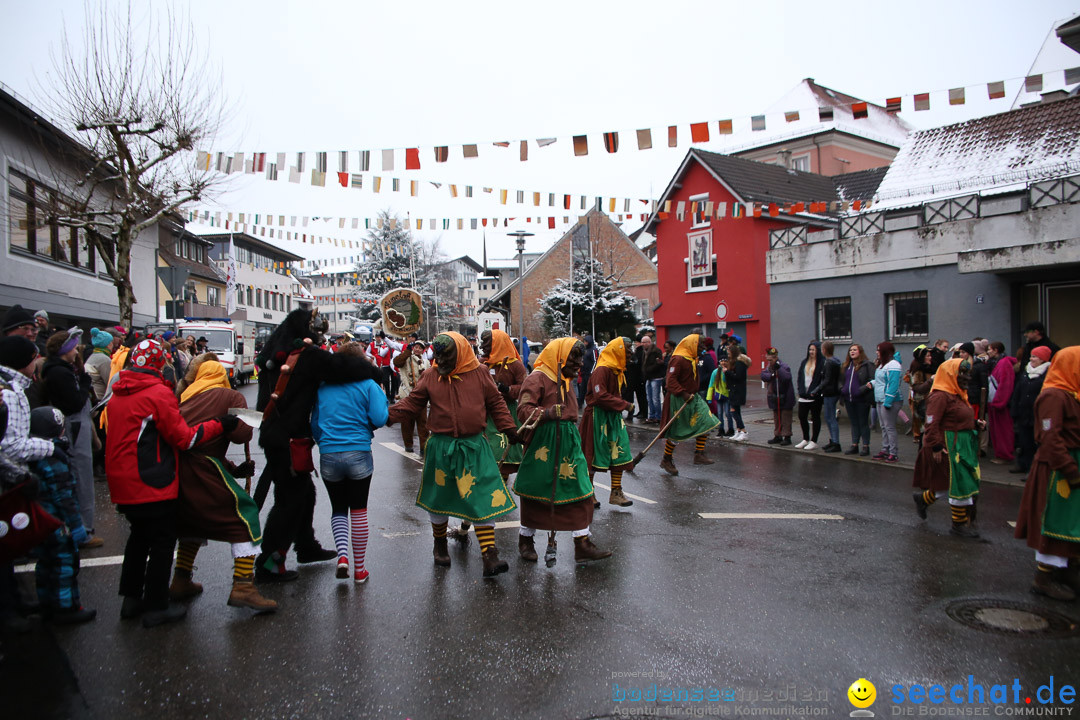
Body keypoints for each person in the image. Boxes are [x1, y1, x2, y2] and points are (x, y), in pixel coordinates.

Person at [106, 339, 237, 628]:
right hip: (152, 479)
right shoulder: (156, 393)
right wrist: (220, 425)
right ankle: (156, 606)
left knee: (138, 538)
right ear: (158, 363)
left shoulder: (118, 394)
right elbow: (184, 438)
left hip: (122, 481)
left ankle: (131, 600)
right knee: (163, 542)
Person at [254, 309, 381, 582]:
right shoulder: (303, 355)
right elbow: (342, 366)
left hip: (276, 435)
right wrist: (374, 373)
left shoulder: (274, 350)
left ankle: (306, 545)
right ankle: (270, 563)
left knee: (304, 492)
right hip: (288, 438)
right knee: (290, 500)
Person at [387, 332, 519, 576]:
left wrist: (510, 429)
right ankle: (439, 546)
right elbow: (412, 403)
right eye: (438, 357)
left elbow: (496, 404)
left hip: (474, 447)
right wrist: (386, 416)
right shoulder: (430, 375)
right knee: (439, 498)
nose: (442, 362)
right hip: (441, 448)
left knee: (483, 496)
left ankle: (489, 554)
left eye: (447, 357)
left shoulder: (480, 373)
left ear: (460, 352)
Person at [171, 356, 277, 613]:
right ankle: (243, 586)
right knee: (245, 516)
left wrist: (232, 469)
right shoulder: (230, 396)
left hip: (176, 469)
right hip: (203, 468)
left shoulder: (185, 395)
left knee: (191, 521)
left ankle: (181, 578)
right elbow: (241, 435)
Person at [514, 337, 611, 563]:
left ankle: (582, 543)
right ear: (559, 358)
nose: (579, 364)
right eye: (573, 359)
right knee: (536, 492)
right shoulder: (537, 377)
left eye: (580, 358)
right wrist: (546, 413)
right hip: (543, 444)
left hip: (568, 443)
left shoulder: (566, 380)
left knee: (580, 489)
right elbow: (523, 410)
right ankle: (526, 539)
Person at [312, 342, 388, 585]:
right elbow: (379, 417)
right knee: (359, 509)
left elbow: (315, 424)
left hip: (329, 454)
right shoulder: (368, 385)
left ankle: (342, 556)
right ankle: (360, 569)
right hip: (359, 452)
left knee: (338, 508)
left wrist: (324, 441)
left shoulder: (322, 387)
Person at [1013, 346, 1080, 600]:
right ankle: (1044, 577)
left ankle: (1068, 569)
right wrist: (1070, 470)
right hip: (1056, 468)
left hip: (1069, 462)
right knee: (1054, 520)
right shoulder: (1054, 396)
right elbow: (1050, 438)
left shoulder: (1072, 393)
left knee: (1071, 521)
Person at [451, 329, 528, 544]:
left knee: (501, 459)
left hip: (505, 414)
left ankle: (494, 495)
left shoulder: (514, 364)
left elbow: (525, 387)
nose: (483, 346)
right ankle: (474, 516)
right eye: (482, 343)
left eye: (487, 343)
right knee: (487, 462)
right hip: (485, 416)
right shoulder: (479, 363)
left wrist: (506, 388)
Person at [27, 406, 96, 624]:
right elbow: (64, 497)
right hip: (59, 524)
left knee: (45, 564)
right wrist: (76, 526)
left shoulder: (32, 456)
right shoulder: (54, 457)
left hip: (40, 522)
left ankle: (46, 603)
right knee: (64, 564)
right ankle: (65, 608)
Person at [41, 330, 103, 549]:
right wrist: (85, 384)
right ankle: (82, 530)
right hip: (74, 428)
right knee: (81, 477)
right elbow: (74, 403)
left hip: (77, 426)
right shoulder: (60, 373)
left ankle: (80, 527)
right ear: (65, 350)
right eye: (74, 347)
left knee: (80, 477)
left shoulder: (62, 370)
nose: (77, 350)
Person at [912, 358, 985, 538]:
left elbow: (956, 417)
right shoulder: (940, 396)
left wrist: (975, 424)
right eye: (961, 373)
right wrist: (936, 447)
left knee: (951, 485)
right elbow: (931, 424)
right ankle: (958, 526)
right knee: (958, 485)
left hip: (962, 446)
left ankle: (923, 500)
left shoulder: (957, 394)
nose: (965, 377)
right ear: (951, 374)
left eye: (967, 373)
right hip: (947, 446)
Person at [580, 337, 635, 508]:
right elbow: (600, 396)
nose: (630, 352)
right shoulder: (602, 370)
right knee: (593, 454)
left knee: (619, 451)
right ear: (618, 350)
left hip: (612, 417)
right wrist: (624, 404)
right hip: (597, 417)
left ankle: (616, 492)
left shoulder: (616, 370)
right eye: (627, 348)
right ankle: (588, 493)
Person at [659, 334, 720, 475]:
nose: (703, 348)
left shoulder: (693, 358)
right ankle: (666, 459)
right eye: (700, 345)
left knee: (707, 421)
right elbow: (670, 381)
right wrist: (683, 393)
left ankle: (699, 454)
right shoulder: (678, 359)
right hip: (679, 398)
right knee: (676, 431)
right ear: (692, 345)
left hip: (694, 397)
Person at [1010, 345, 1051, 474]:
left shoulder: (1047, 373)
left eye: (1035, 357)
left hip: (1037, 415)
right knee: (1024, 441)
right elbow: (1018, 391)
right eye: (1031, 356)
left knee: (1036, 443)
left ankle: (1033, 470)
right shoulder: (1026, 372)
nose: (1031, 359)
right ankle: (1023, 464)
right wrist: (1014, 408)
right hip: (1024, 413)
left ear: (1043, 359)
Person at [393, 341, 430, 455]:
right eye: (416, 347)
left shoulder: (426, 362)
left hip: (421, 396)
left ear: (424, 350)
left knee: (423, 423)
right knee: (407, 422)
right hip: (408, 394)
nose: (417, 349)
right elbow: (397, 362)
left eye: (420, 348)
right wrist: (407, 351)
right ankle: (408, 445)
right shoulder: (407, 359)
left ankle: (424, 447)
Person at [870, 342, 903, 462]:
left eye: (878, 350)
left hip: (890, 400)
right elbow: (881, 381)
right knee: (884, 427)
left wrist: (888, 401)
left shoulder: (894, 365)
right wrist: (872, 383)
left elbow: (893, 385)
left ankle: (893, 453)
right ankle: (885, 449)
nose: (876, 352)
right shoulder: (882, 365)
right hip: (880, 399)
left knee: (889, 427)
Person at [841, 344, 874, 455]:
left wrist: (863, 389)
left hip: (862, 399)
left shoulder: (866, 365)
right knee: (854, 423)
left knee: (863, 422)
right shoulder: (847, 366)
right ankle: (854, 445)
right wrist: (842, 389)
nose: (852, 352)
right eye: (850, 350)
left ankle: (866, 446)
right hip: (849, 399)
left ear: (860, 351)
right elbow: (841, 380)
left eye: (854, 350)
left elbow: (872, 380)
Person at [987, 345, 1017, 465]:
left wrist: (1000, 401)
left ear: (996, 350)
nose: (988, 351)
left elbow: (1006, 384)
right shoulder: (996, 362)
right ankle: (1001, 453)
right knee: (997, 430)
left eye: (989, 349)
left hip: (999, 404)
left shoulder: (1004, 363)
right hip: (994, 402)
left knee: (1003, 430)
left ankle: (1005, 455)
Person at [762, 347, 795, 447]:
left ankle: (787, 436)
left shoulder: (783, 366)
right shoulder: (769, 368)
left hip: (785, 396)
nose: (769, 361)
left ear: (776, 357)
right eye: (768, 359)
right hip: (774, 396)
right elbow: (764, 376)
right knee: (777, 418)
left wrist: (778, 369)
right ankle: (778, 435)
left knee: (785, 417)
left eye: (771, 359)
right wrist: (772, 374)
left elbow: (786, 378)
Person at [795, 342, 824, 450]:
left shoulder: (821, 363)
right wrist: (800, 390)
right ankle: (805, 438)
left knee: (815, 417)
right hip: (803, 395)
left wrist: (815, 391)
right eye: (810, 350)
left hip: (814, 396)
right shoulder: (804, 362)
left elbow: (821, 380)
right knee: (802, 416)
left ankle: (814, 440)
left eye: (813, 350)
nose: (811, 352)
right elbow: (800, 377)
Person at [905, 346, 934, 447]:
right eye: (928, 356)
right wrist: (931, 380)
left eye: (931, 356)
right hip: (922, 404)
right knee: (925, 430)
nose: (930, 358)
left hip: (930, 403)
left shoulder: (929, 369)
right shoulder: (918, 371)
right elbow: (917, 388)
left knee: (928, 430)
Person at [819, 342, 842, 452]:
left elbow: (827, 379)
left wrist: (816, 390)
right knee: (829, 417)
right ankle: (833, 440)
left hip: (830, 392)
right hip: (832, 392)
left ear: (824, 350)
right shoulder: (835, 361)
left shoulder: (829, 362)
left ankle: (836, 442)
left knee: (830, 418)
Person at [724, 346, 750, 442]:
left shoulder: (740, 363)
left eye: (729, 352)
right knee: (736, 411)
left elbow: (738, 377)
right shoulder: (735, 363)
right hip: (733, 390)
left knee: (734, 411)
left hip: (738, 391)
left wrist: (727, 372)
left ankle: (743, 431)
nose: (728, 354)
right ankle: (739, 431)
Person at [706, 357, 732, 438]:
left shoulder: (729, 371)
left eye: (725, 361)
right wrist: (709, 398)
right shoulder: (715, 372)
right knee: (720, 414)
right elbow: (711, 385)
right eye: (722, 361)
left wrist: (726, 373)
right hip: (719, 396)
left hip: (727, 396)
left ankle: (731, 429)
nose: (723, 363)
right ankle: (721, 430)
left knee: (728, 413)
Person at [642, 335, 664, 423]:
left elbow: (658, 364)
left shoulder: (656, 351)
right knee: (649, 398)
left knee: (655, 398)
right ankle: (651, 415)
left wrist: (648, 369)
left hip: (656, 377)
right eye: (642, 342)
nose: (643, 344)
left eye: (644, 342)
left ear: (649, 342)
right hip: (648, 377)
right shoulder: (645, 352)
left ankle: (658, 416)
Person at [577, 334, 597, 406]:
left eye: (586, 342)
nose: (585, 343)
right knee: (582, 389)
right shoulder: (586, 350)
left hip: (589, 373)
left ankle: (590, 403)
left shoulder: (593, 350)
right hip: (584, 373)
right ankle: (580, 403)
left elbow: (595, 361)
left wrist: (592, 372)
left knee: (589, 390)